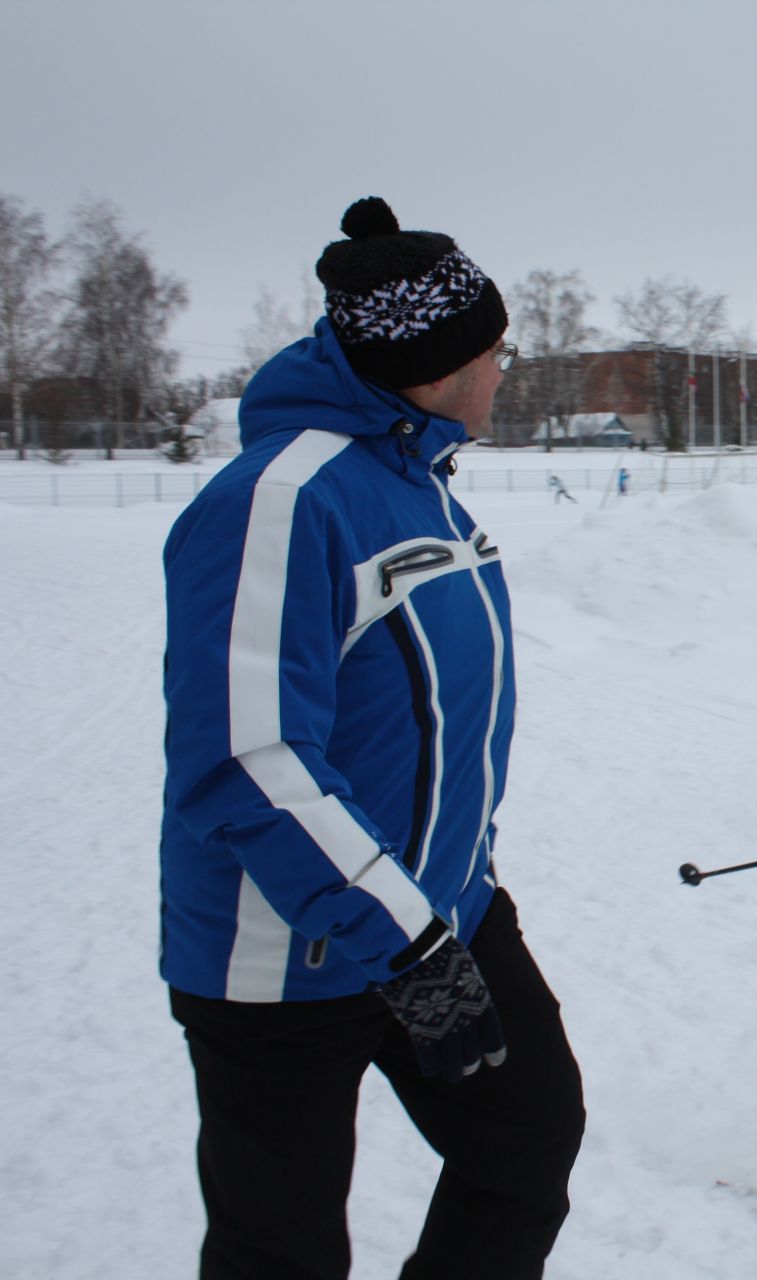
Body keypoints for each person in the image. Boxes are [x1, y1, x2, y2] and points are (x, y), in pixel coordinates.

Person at [159, 197, 585, 1280]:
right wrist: (406, 946)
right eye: (498, 351)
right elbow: (248, 754)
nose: (506, 371)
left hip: (443, 912)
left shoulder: (418, 484)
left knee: (527, 1139)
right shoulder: (283, 496)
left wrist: (453, 897)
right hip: (286, 959)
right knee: (281, 1247)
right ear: (434, 365)